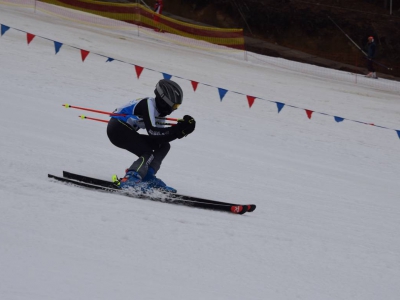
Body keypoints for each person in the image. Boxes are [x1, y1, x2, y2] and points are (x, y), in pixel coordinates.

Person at [107, 79, 196, 192]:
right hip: (117, 128)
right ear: (165, 100)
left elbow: (160, 138)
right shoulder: (148, 104)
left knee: (164, 146)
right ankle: (131, 178)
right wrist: (177, 130)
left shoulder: (160, 113)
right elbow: (153, 132)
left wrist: (182, 131)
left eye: (177, 107)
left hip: (125, 130)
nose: (174, 109)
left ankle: (147, 176)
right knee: (147, 152)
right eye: (174, 106)